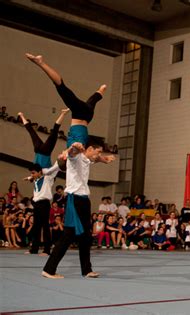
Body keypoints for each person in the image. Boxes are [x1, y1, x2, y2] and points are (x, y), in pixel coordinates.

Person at [42, 142, 105, 279]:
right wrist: (73, 147)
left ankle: (87, 270)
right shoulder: (76, 158)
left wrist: (104, 159)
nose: (98, 155)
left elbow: (95, 158)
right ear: (89, 149)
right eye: (98, 152)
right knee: (68, 235)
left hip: (84, 201)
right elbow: (71, 154)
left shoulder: (87, 160)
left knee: (86, 237)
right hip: (74, 201)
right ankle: (49, 269)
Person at [26, 53, 106, 151]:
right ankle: (41, 63)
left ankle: (101, 90)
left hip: (87, 117)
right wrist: (67, 153)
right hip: (79, 114)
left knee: (93, 100)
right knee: (61, 87)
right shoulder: (75, 148)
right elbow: (77, 148)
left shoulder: (77, 145)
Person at [25, 163, 60, 256]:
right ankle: (34, 249)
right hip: (36, 205)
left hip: (44, 204)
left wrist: (60, 158)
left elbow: (55, 169)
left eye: (33, 173)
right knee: (36, 227)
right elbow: (33, 177)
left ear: (40, 172)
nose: (31, 175)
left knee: (45, 227)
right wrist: (30, 177)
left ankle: (47, 250)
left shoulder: (48, 179)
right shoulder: (35, 180)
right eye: (31, 173)